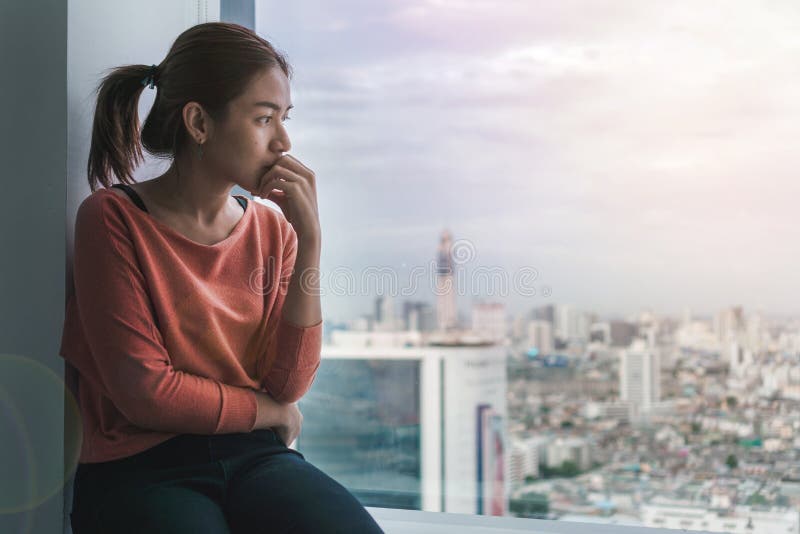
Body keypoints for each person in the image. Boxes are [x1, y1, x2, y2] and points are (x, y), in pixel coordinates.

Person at [59, 21, 384, 533]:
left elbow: (289, 381)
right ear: (199, 123)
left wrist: (311, 245)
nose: (283, 140)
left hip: (253, 458)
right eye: (264, 119)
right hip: (140, 470)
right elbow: (146, 394)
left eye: (285, 118)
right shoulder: (111, 219)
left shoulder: (273, 228)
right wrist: (271, 413)